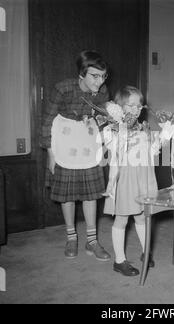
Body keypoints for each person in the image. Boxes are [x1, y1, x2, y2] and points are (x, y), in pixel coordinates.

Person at [41, 50, 111, 261]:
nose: (100, 81)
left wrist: (104, 148)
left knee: (91, 194)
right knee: (67, 195)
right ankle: (71, 237)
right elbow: (47, 121)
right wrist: (51, 154)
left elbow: (103, 121)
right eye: (94, 76)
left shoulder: (103, 92)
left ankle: (92, 241)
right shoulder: (62, 89)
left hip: (88, 144)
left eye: (103, 76)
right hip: (64, 144)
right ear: (82, 74)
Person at [104, 86, 158, 276]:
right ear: (119, 108)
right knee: (121, 219)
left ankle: (146, 252)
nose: (136, 109)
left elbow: (151, 153)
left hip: (142, 178)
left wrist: (162, 138)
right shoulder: (113, 129)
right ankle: (119, 261)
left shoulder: (144, 127)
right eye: (131, 105)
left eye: (139, 106)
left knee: (142, 216)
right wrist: (120, 126)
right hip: (125, 180)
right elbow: (115, 151)